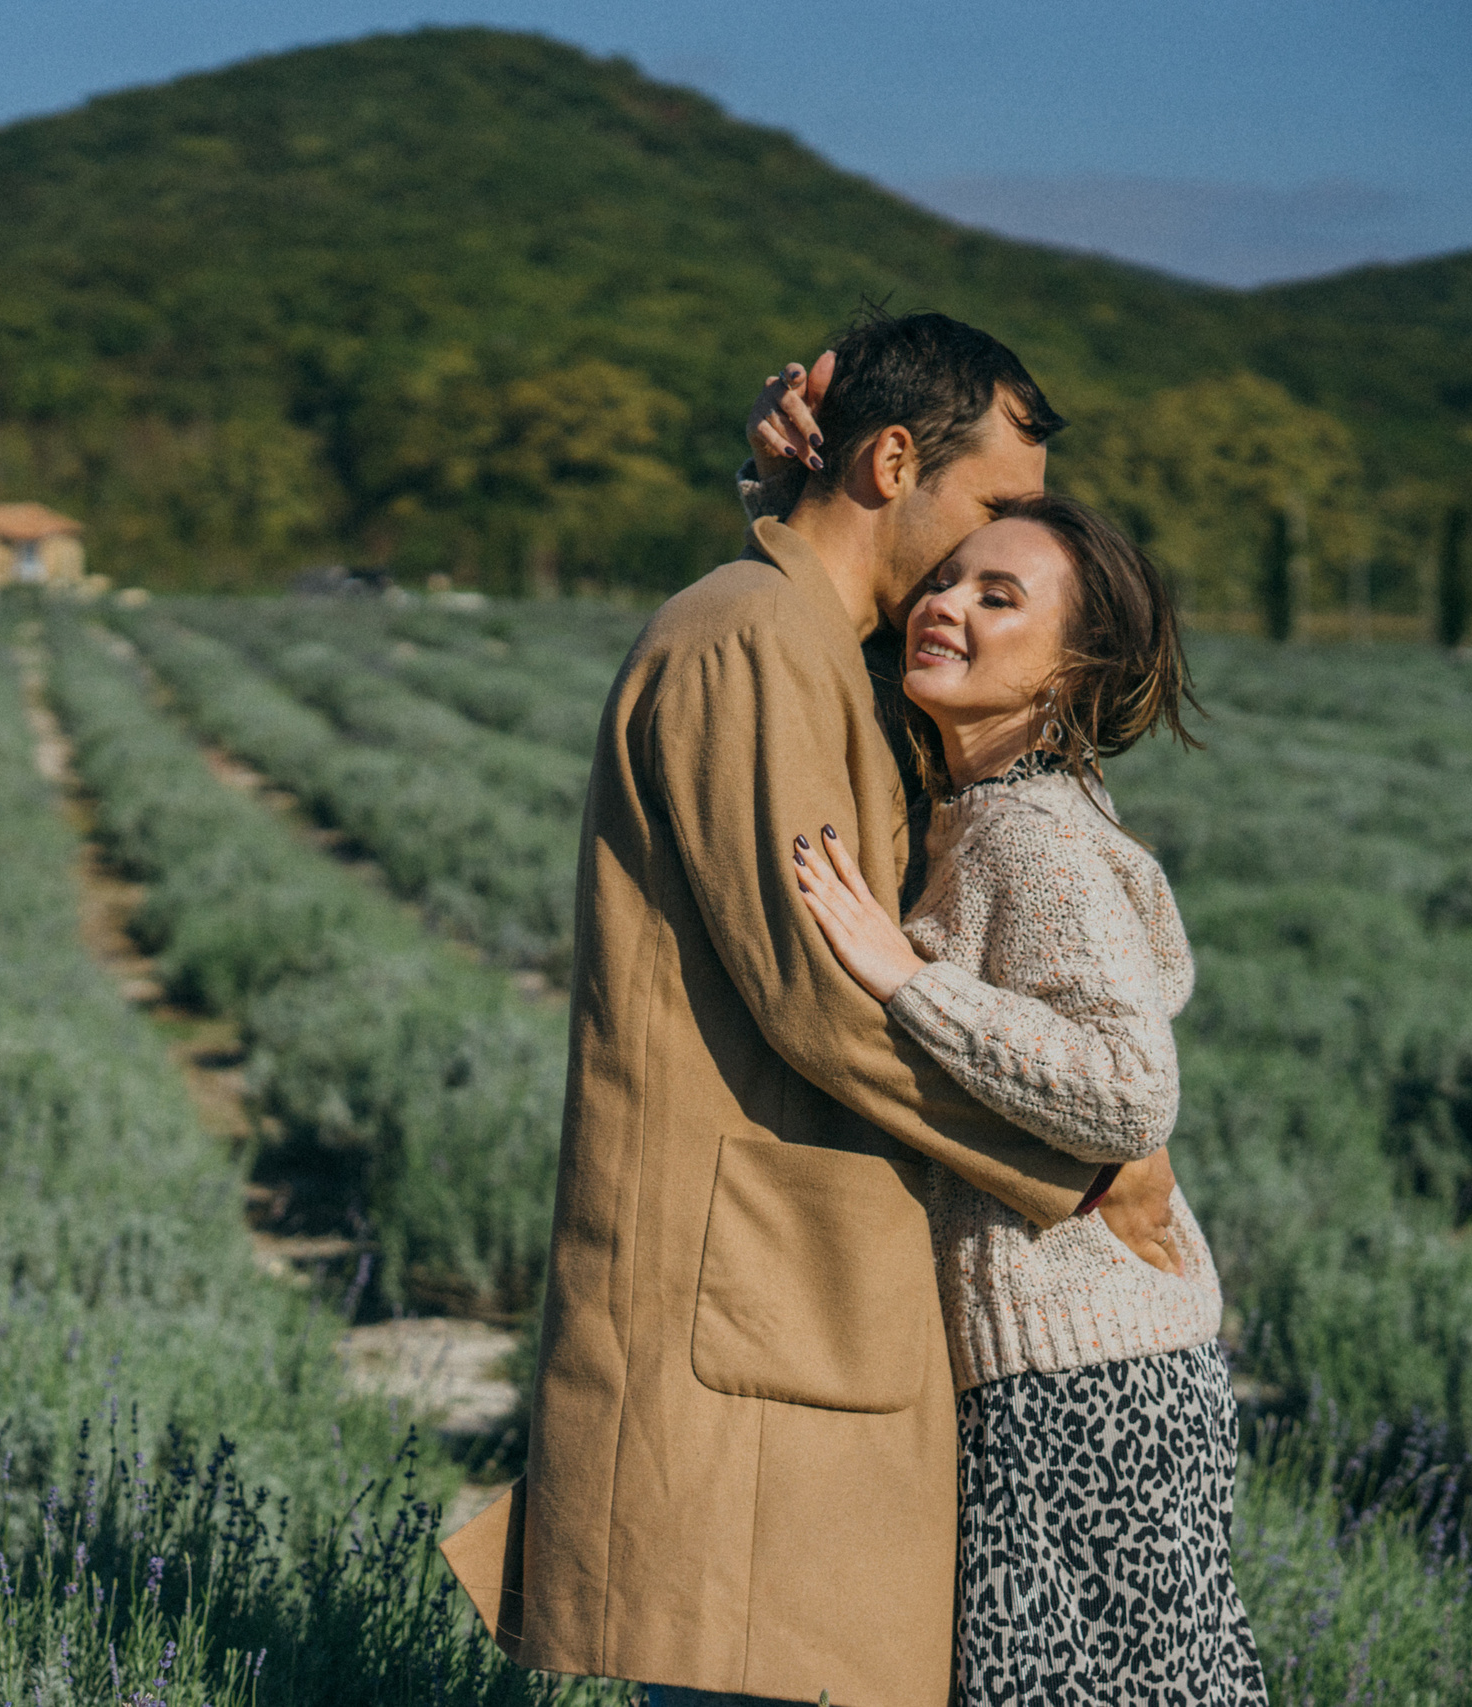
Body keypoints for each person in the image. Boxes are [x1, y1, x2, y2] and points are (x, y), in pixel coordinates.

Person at [442, 310, 1178, 1707]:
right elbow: (817, 996)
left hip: (802, 1303)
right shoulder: (751, 639)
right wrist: (1079, 1165)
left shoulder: (814, 642)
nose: (983, 558)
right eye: (993, 513)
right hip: (760, 1313)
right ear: (894, 457)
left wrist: (775, 489)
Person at [787, 494, 1264, 1704]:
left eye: (1000, 598)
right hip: (1065, 1372)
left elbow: (1127, 1088)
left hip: (1081, 1383)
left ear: (1072, 672)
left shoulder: (1025, 835)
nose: (944, 605)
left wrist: (906, 981)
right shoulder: (978, 810)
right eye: (945, 581)